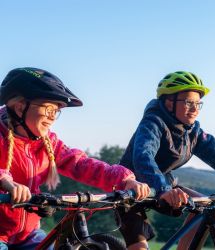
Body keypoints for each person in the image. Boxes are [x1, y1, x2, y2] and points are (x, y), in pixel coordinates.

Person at [0, 67, 150, 250]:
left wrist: (125, 179)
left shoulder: (49, 143)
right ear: (20, 106)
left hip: (27, 234)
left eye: (56, 111)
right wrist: (7, 183)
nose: (52, 117)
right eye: (49, 108)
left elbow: (81, 164)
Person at [118, 71, 215, 250]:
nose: (195, 109)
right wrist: (163, 189)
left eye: (198, 103)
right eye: (189, 102)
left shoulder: (193, 132)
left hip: (162, 185)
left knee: (204, 207)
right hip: (129, 189)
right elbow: (143, 157)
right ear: (169, 102)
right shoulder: (153, 123)